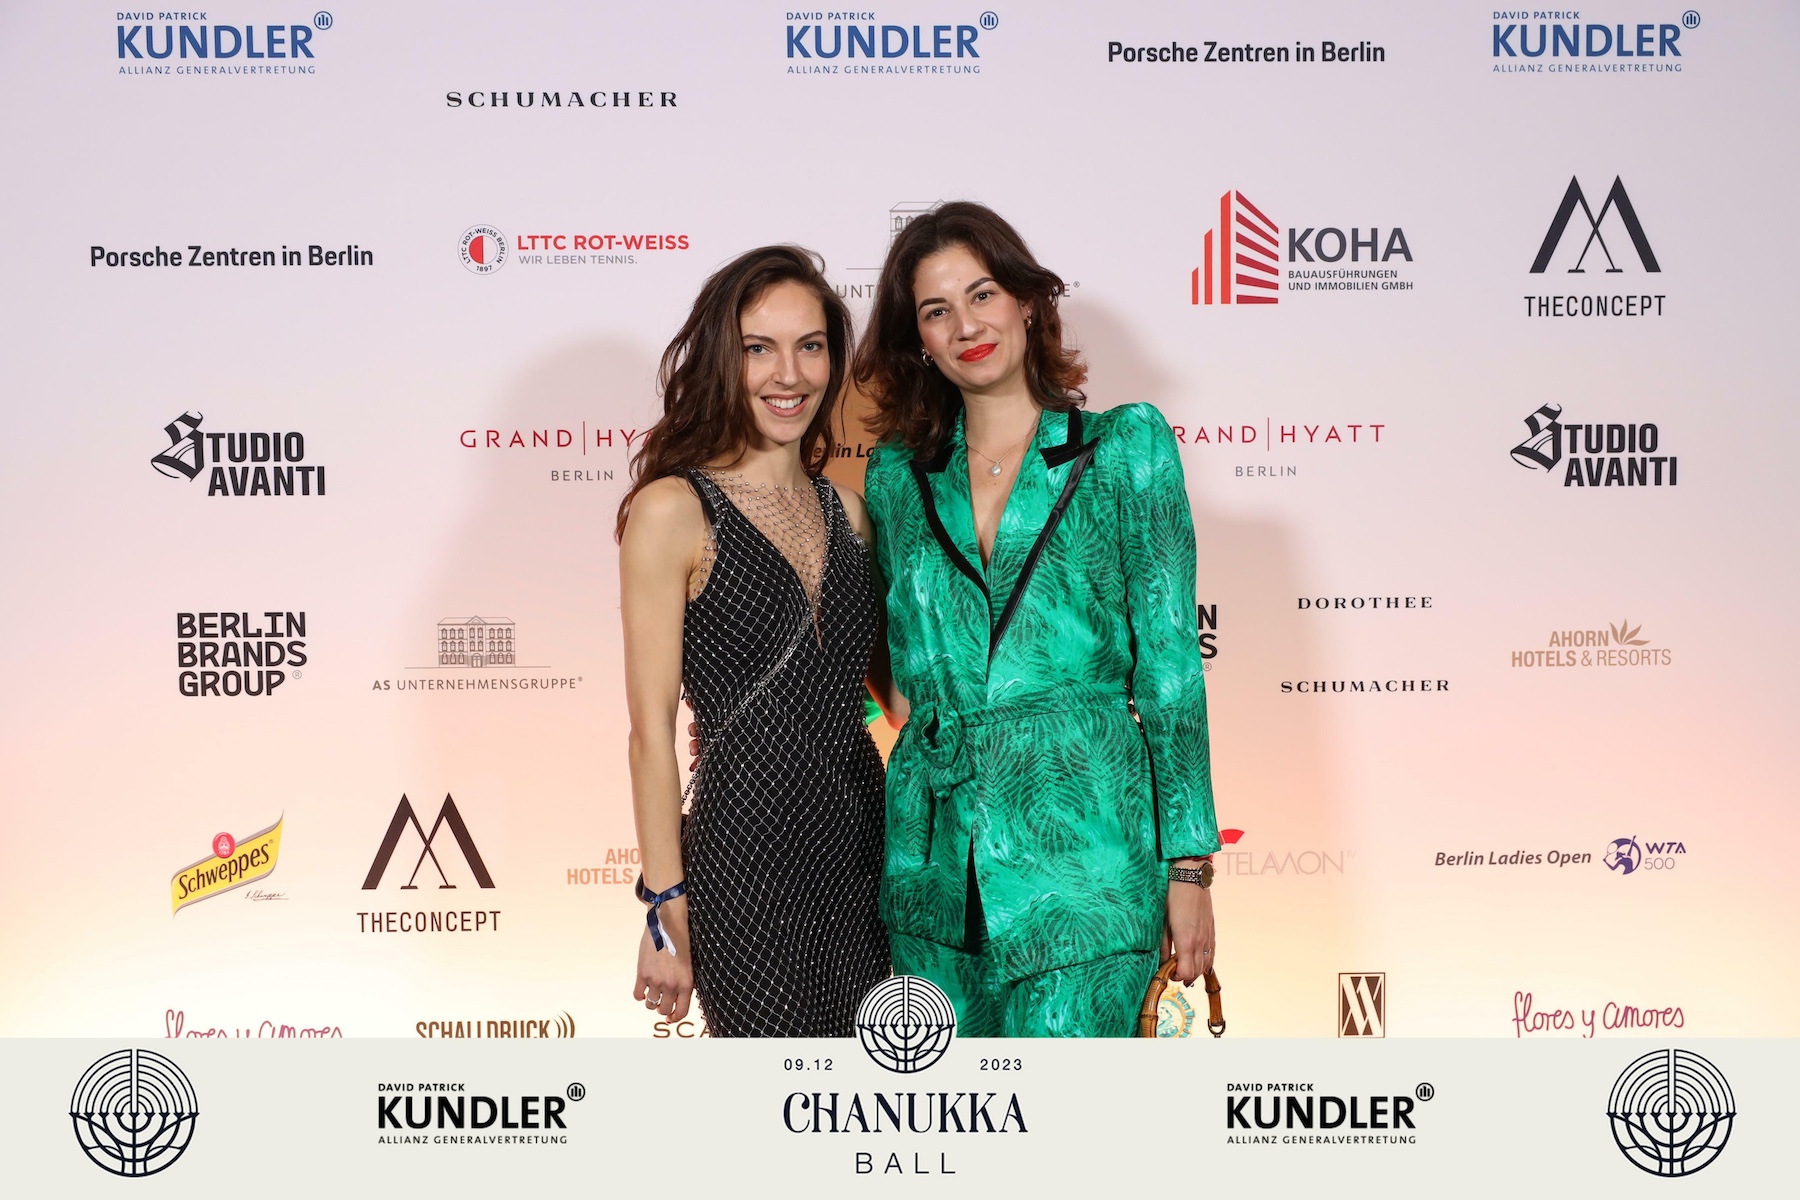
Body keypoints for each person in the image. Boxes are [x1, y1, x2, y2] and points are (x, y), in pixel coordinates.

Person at [855, 202, 1221, 1037]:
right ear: (919, 340)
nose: (966, 326)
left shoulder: (1123, 448)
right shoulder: (895, 481)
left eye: (982, 295)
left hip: (1086, 859)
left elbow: (1171, 672)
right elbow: (890, 665)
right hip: (935, 877)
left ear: (1026, 301)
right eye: (936, 310)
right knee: (952, 1116)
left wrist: (1189, 869)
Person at [617, 245, 890, 1036]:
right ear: (721, 359)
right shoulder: (673, 510)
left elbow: (896, 698)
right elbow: (649, 734)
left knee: (868, 1088)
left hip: (863, 851)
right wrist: (666, 907)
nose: (789, 374)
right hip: (746, 857)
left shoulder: (853, 512)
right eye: (759, 348)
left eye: (811, 346)